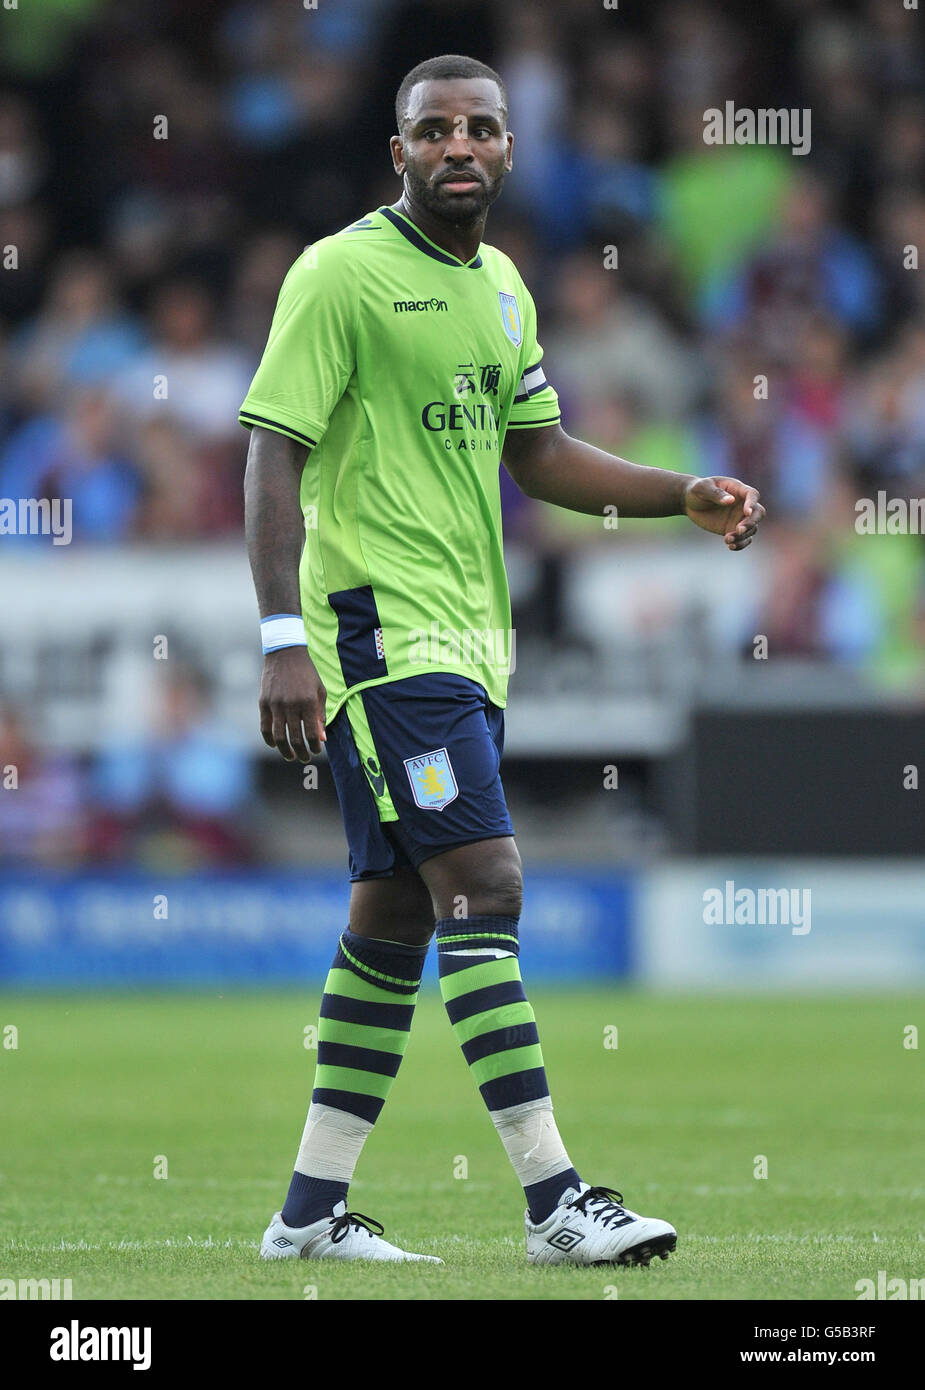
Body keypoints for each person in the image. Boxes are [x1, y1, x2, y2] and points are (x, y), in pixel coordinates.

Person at [241, 54, 766, 1268]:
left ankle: (308, 1216)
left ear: (511, 149)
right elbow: (271, 455)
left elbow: (538, 453)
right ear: (400, 152)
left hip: (469, 644)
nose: (460, 146)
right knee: (487, 884)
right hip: (381, 641)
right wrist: (282, 638)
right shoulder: (337, 275)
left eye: (482, 128)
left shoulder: (504, 287)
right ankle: (556, 1204)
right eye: (436, 130)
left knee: (390, 922)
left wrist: (674, 490)